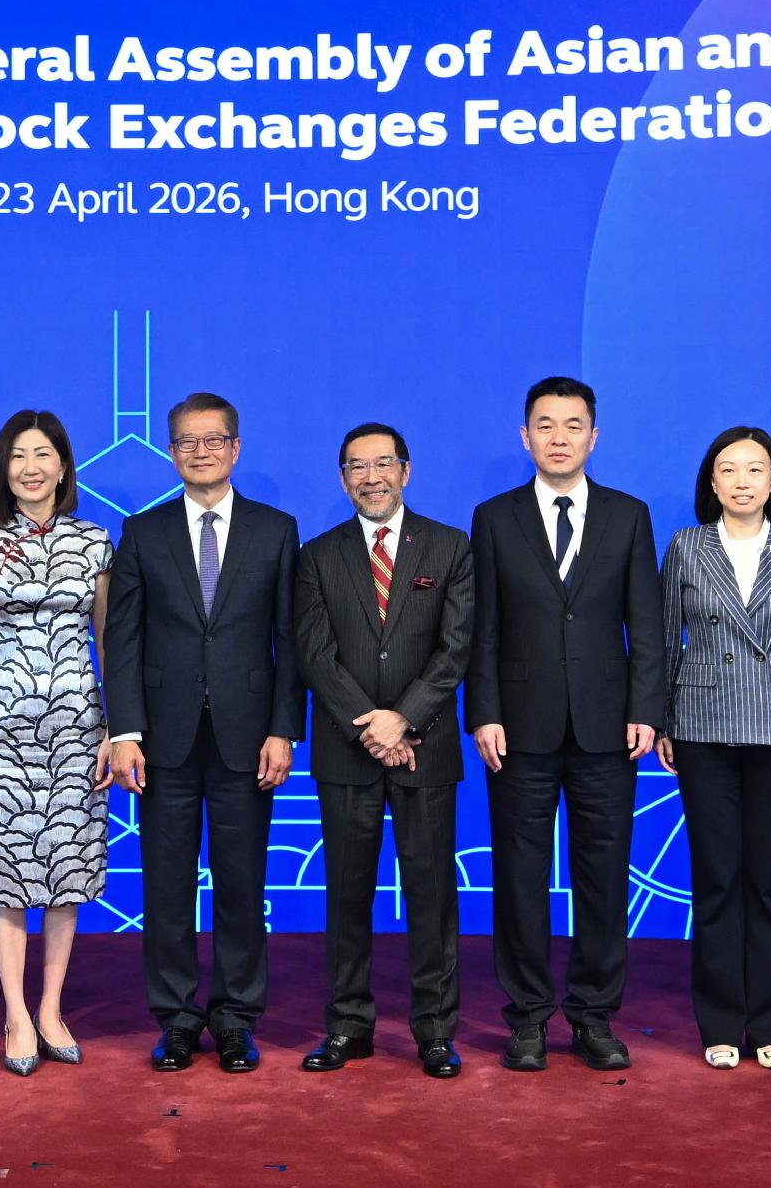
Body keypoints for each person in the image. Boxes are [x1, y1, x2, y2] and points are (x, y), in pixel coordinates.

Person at [466, 376, 665, 1072]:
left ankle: (594, 1014)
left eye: (572, 424)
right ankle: (526, 1017)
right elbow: (482, 626)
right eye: (544, 424)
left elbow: (646, 622)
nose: (558, 436)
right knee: (519, 876)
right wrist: (483, 710)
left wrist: (647, 708)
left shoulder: (628, 515)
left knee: (603, 876)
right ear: (524, 436)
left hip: (609, 727)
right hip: (517, 728)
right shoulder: (494, 517)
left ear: (594, 435)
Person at [103, 390, 303, 1072]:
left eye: (213, 439)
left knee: (243, 882)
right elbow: (122, 642)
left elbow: (289, 641)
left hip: (249, 738)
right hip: (164, 740)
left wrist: (284, 728)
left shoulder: (277, 530)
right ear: (171, 449)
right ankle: (179, 1017)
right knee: (166, 883)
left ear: (236, 448)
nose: (200, 451)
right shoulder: (142, 531)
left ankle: (237, 1016)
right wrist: (124, 729)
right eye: (187, 440)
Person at [293, 421, 474, 1078]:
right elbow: (314, 653)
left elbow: (456, 649)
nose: (370, 476)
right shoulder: (316, 555)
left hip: (425, 748)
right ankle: (348, 1026)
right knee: (347, 895)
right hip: (348, 750)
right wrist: (370, 724)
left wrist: (404, 720)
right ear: (342, 478)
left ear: (406, 469)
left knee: (431, 895)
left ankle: (434, 1031)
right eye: (356, 466)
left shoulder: (450, 547)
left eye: (382, 463)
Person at [657, 426, 771, 1072]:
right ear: (711, 481)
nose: (741, 480)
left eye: (754, 468)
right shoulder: (685, 546)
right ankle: (722, 1022)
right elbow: (661, 638)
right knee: (717, 879)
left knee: (767, 881)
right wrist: (662, 720)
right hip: (703, 724)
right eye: (728, 468)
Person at [0, 409, 111, 1077]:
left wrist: (114, 728)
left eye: (43, 453)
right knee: (8, 874)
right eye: (18, 454)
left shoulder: (97, 540)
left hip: (80, 730)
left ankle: (50, 1007)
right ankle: (15, 1012)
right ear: (3, 467)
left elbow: (109, 641)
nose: (31, 466)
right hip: (2, 730)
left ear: (64, 465)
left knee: (68, 870)